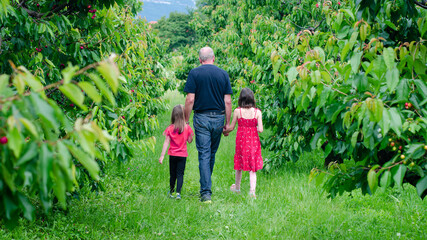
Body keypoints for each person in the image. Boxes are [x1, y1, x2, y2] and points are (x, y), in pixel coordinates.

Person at [184, 46, 233, 203]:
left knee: (204, 154)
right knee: (211, 153)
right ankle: (206, 187)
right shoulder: (223, 74)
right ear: (214, 58)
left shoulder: (194, 73)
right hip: (218, 118)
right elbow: (228, 101)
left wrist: (185, 121)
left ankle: (206, 192)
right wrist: (227, 124)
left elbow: (190, 99)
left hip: (202, 118)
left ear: (200, 59)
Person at [224, 88, 263, 199]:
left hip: (241, 142)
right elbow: (260, 129)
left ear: (241, 99)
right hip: (253, 142)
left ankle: (237, 188)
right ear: (252, 99)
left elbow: (231, 127)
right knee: (252, 167)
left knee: (239, 165)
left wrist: (224, 131)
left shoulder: (238, 111)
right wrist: (253, 125)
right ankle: (252, 192)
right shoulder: (257, 112)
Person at [159, 104, 194, 200]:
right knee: (180, 174)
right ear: (183, 115)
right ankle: (178, 193)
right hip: (182, 155)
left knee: (172, 174)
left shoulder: (170, 128)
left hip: (173, 155)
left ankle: (171, 192)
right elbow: (190, 141)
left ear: (173, 116)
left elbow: (166, 142)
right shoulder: (187, 128)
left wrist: (162, 156)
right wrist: (190, 135)